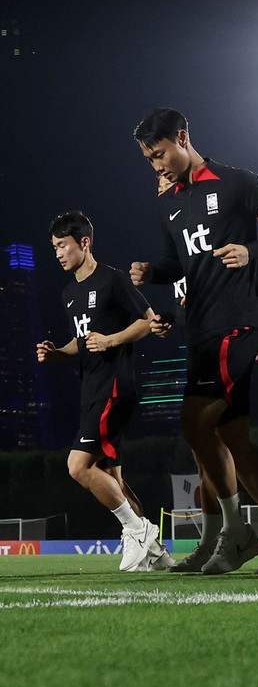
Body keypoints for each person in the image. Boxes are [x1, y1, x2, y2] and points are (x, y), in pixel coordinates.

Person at [130, 108, 258, 574]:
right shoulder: (168, 202)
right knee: (232, 437)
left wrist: (252, 251)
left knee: (193, 423)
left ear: (182, 137)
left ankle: (238, 533)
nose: (157, 165)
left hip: (238, 323)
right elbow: (180, 265)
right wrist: (154, 273)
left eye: (160, 153)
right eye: (149, 159)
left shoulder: (237, 182)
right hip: (201, 329)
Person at [37, 211, 173, 572]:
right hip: (91, 391)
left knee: (77, 466)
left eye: (63, 245)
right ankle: (156, 554)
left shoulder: (111, 279)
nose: (58, 254)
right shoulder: (68, 293)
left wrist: (112, 339)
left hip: (115, 386)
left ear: (84, 242)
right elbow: (81, 343)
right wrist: (58, 353)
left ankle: (136, 529)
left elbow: (149, 319)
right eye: (54, 248)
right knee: (113, 479)